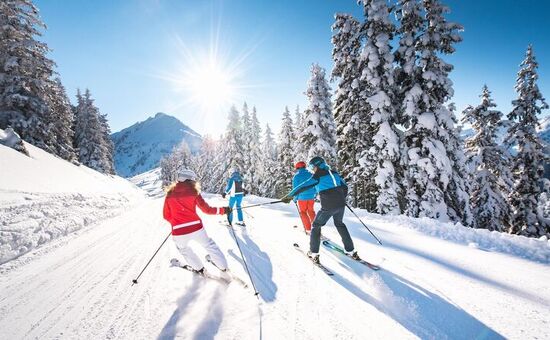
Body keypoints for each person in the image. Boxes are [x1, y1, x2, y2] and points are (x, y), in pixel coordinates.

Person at [281, 156, 359, 264]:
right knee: (339, 223)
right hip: (340, 205)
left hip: (328, 206)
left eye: (313, 167)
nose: (312, 169)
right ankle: (350, 250)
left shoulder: (317, 176)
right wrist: (341, 197)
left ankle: (314, 253)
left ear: (317, 165)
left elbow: (303, 186)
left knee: (316, 225)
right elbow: (344, 186)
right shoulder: (334, 172)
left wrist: (289, 196)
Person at [163, 168, 232, 275]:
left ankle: (200, 269)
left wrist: (177, 222)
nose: (194, 182)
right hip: (196, 228)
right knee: (210, 245)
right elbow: (207, 210)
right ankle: (224, 268)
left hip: (179, 232)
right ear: (189, 179)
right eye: (193, 180)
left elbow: (166, 215)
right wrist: (223, 210)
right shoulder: (194, 192)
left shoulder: (169, 195)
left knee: (184, 249)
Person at [292, 161, 317, 234]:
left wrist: (295, 198)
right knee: (311, 212)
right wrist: (314, 194)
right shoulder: (311, 174)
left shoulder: (296, 177)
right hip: (311, 197)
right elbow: (315, 184)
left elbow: (295, 189)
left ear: (297, 168)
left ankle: (308, 229)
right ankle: (316, 228)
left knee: (303, 212)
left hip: (302, 198)